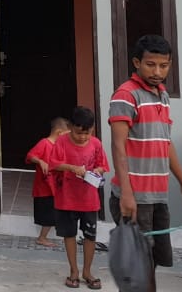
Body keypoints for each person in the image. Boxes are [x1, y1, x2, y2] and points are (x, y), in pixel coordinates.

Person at [109, 34, 182, 292]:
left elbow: (165, 142)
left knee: (152, 263)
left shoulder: (162, 96)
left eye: (164, 65)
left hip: (157, 195)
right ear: (137, 63)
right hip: (135, 197)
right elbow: (118, 146)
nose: (157, 72)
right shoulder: (126, 95)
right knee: (136, 270)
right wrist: (127, 194)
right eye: (151, 64)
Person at [52, 106, 109, 289]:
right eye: (78, 133)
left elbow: (103, 165)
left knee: (90, 236)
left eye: (87, 133)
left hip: (89, 200)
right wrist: (71, 168)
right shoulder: (62, 142)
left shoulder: (96, 144)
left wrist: (96, 171)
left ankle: (87, 271)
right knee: (69, 234)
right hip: (67, 198)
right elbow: (53, 163)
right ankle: (74, 271)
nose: (83, 137)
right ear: (71, 127)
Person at [25, 117, 69, 247]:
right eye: (66, 135)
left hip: (55, 188)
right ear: (59, 132)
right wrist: (40, 161)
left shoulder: (59, 147)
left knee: (54, 213)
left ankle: (46, 236)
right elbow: (30, 156)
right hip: (44, 188)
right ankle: (42, 238)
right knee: (49, 216)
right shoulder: (44, 143)